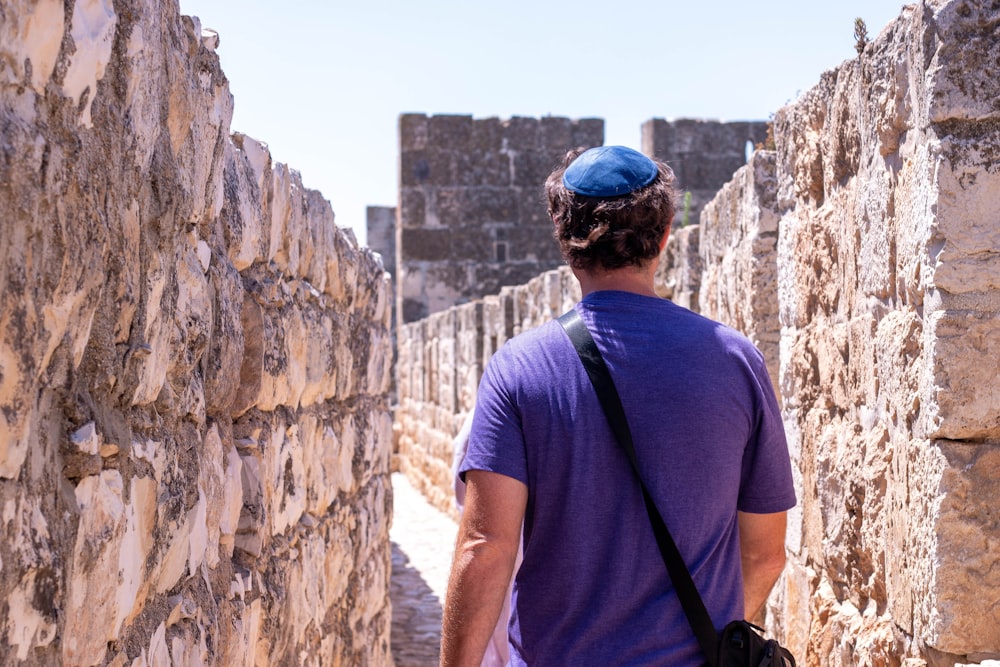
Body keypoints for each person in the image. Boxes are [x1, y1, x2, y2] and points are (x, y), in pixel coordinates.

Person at [441, 145, 796, 666]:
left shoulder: (518, 370)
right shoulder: (736, 362)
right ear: (667, 233)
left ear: (565, 237)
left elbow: (485, 548)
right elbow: (765, 553)